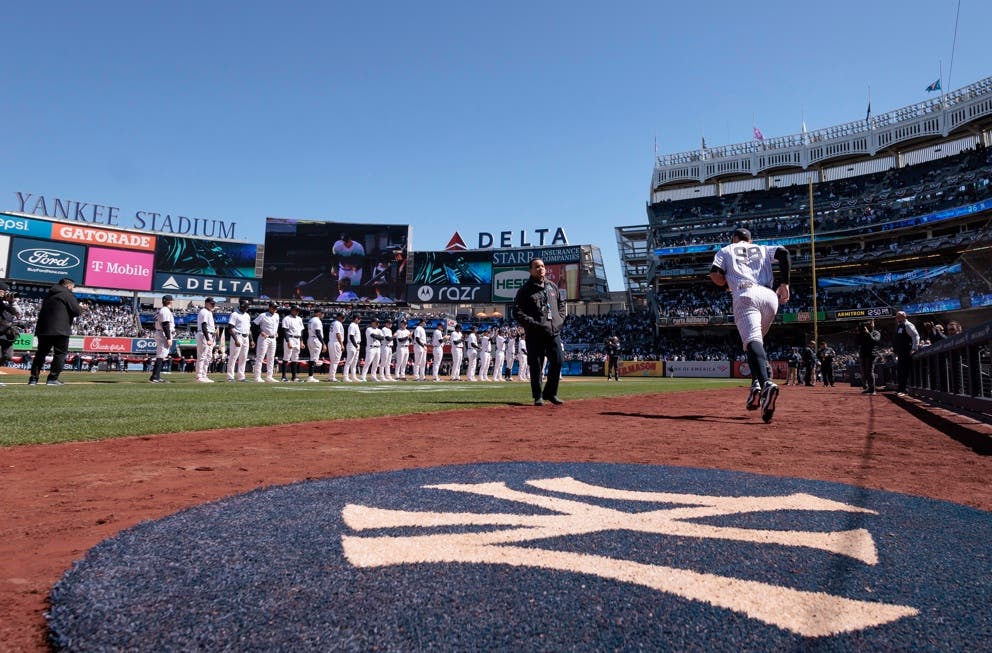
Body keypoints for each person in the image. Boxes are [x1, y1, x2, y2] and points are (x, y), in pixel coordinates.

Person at [709, 228, 790, 423]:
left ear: (735, 238)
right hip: (770, 297)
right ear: (750, 239)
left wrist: (725, 283)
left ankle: (766, 385)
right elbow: (784, 253)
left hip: (745, 295)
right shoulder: (761, 249)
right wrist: (785, 283)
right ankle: (756, 386)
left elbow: (715, 274)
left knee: (752, 342)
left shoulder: (726, 250)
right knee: (755, 346)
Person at [513, 258, 566, 406]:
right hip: (535, 333)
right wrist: (533, 324)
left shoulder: (552, 286)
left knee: (558, 361)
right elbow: (517, 312)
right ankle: (538, 396)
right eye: (536, 267)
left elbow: (561, 304)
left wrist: (559, 320)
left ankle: (551, 393)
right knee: (536, 365)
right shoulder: (525, 290)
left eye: (542, 266)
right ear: (530, 270)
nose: (540, 268)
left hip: (553, 332)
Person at [28, 278, 84, 386]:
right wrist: (81, 308)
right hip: (60, 329)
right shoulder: (67, 294)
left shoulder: (49, 294)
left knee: (40, 354)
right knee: (60, 354)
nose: (73, 289)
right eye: (72, 287)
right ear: (68, 286)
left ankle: (33, 379)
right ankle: (52, 378)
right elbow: (76, 311)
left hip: (43, 329)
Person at [893, 311, 920, 396]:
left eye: (899, 316)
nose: (897, 318)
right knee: (900, 371)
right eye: (897, 316)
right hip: (901, 353)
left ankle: (904, 390)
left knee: (904, 371)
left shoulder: (908, 325)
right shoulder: (899, 325)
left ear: (904, 317)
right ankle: (900, 389)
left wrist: (914, 348)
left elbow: (915, 336)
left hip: (906, 352)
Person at [149, 294, 175, 383]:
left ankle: (155, 376)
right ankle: (155, 377)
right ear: (170, 301)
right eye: (171, 300)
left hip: (160, 332)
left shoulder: (162, 310)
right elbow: (165, 324)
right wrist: (168, 338)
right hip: (163, 333)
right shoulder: (165, 311)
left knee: (161, 355)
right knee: (161, 355)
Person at [0, 282, 22, 383]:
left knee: (8, 356)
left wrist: (12, 302)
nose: (5, 293)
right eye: (4, 291)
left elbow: (18, 313)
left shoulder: (7, 302)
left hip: (6, 332)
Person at [226, 299, 252, 382]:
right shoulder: (235, 314)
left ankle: (241, 377)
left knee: (244, 357)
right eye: (246, 306)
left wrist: (251, 340)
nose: (247, 308)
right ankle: (230, 377)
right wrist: (236, 339)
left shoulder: (247, 315)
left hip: (246, 336)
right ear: (241, 306)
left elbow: (249, 329)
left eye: (247, 306)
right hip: (237, 336)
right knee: (233, 357)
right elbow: (230, 328)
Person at [253, 303, 280, 383]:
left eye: (276, 308)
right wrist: (261, 331)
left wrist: (276, 332)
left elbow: (276, 326)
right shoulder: (263, 315)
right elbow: (254, 324)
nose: (275, 309)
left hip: (273, 338)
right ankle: (257, 377)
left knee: (271, 358)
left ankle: (269, 376)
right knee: (260, 357)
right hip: (264, 338)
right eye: (274, 307)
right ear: (270, 307)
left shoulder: (277, 315)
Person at [195, 297, 217, 383]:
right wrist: (208, 338)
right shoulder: (203, 312)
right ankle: (199, 376)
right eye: (212, 303)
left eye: (214, 303)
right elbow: (204, 325)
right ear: (206, 303)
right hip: (204, 335)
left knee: (208, 357)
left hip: (210, 334)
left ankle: (204, 375)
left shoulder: (209, 312)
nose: (213, 305)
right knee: (202, 356)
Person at [280, 305, 305, 382]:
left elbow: (301, 331)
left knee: (295, 358)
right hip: (290, 338)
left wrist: (301, 341)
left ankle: (294, 377)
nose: (297, 311)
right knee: (286, 358)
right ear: (291, 310)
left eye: (298, 310)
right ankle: (283, 377)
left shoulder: (299, 319)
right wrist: (288, 341)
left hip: (297, 339)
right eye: (295, 310)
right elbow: (285, 331)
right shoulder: (287, 318)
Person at [858, 319, 882, 396]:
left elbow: (874, 341)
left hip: (871, 354)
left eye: (870, 323)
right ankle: (868, 387)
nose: (868, 324)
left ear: (873, 324)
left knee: (869, 371)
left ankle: (872, 389)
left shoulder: (876, 333)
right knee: (864, 372)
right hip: (863, 354)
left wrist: (868, 333)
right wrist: (861, 332)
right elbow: (857, 342)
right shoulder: (863, 333)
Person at [305, 307, 326, 382]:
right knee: (314, 359)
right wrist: (323, 343)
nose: (323, 314)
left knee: (312, 358)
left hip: (310, 338)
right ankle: (310, 377)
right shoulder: (317, 321)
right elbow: (318, 333)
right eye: (322, 312)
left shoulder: (311, 320)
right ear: (318, 313)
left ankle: (310, 376)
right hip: (315, 340)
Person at [327, 312, 345, 382]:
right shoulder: (338, 323)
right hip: (336, 342)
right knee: (335, 361)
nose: (343, 319)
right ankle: (332, 377)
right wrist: (342, 344)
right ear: (339, 317)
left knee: (333, 361)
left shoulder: (333, 322)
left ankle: (331, 376)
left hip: (331, 342)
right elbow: (338, 334)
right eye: (343, 317)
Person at [344, 314, 362, 382]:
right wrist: (356, 345)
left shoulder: (356, 325)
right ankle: (345, 377)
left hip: (356, 344)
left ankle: (353, 377)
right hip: (352, 345)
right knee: (349, 362)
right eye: (359, 318)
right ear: (356, 319)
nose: (360, 320)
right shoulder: (352, 325)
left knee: (354, 362)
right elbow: (351, 336)